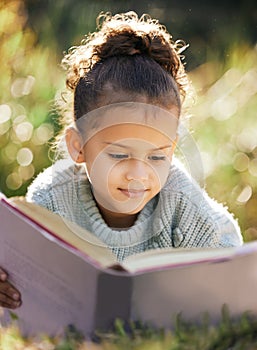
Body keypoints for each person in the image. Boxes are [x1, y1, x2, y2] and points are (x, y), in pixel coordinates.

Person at [0, 11, 243, 310]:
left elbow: (233, 267)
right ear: (79, 147)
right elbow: (22, 275)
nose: (138, 174)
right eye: (118, 154)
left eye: (157, 156)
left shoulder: (183, 206)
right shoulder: (51, 198)